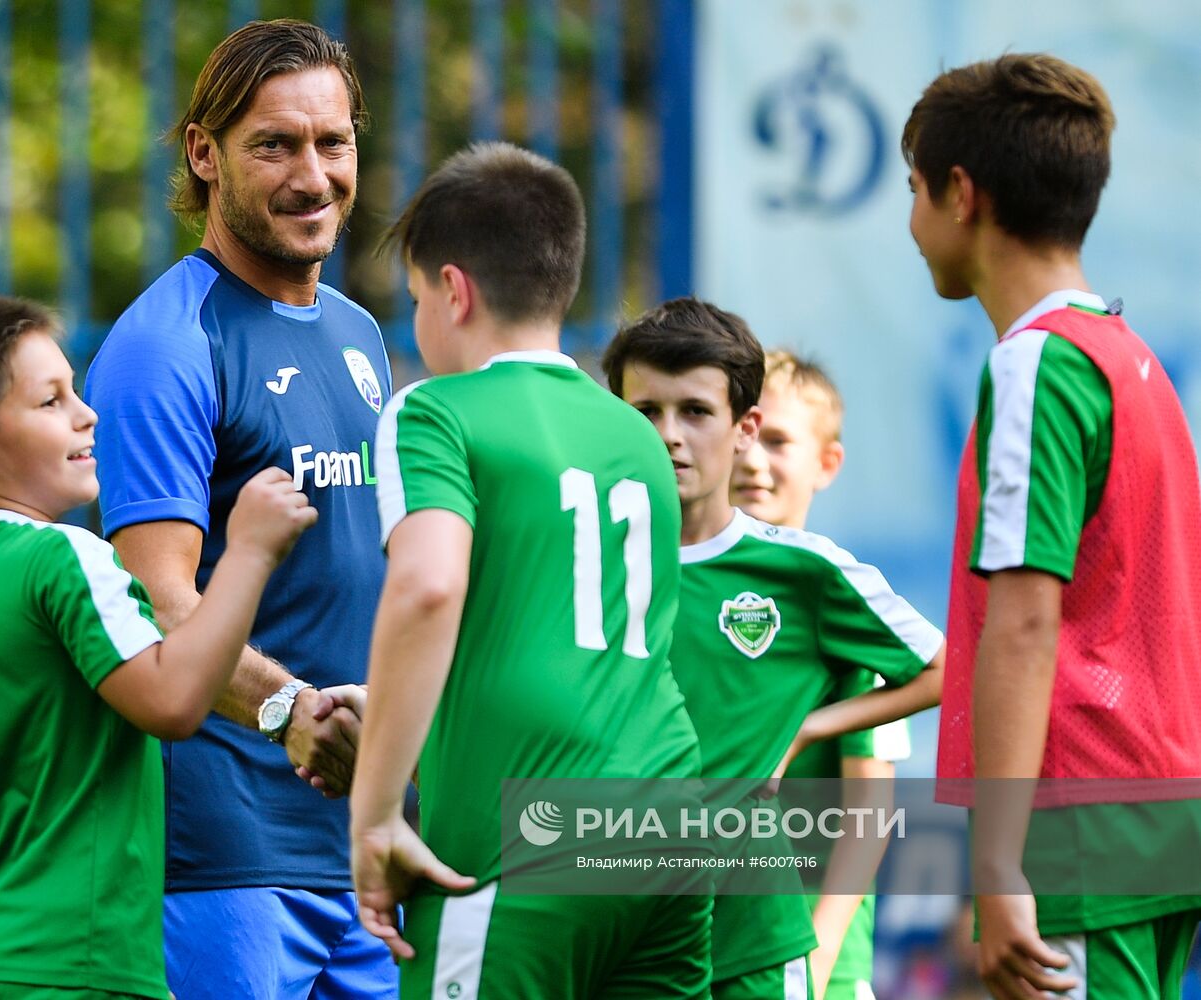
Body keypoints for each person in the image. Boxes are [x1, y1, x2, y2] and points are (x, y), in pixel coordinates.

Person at [0, 295, 314, 999]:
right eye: (51, 401)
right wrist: (249, 555)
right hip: (69, 968)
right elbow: (170, 700)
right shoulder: (63, 556)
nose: (88, 413)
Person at [349, 142, 714, 999]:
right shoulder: (635, 435)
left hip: (524, 835)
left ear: (454, 290)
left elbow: (429, 587)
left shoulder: (435, 410)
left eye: (412, 301)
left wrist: (371, 816)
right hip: (670, 821)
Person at [84, 19, 395, 999]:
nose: (312, 176)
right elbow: (153, 598)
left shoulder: (357, 332)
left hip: (365, 843)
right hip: (229, 853)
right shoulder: (165, 344)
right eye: (274, 145)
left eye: (331, 142)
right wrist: (283, 708)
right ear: (202, 154)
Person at [903, 53, 1201, 999]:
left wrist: (995, 866)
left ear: (962, 193)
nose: (909, 223)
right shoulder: (1131, 357)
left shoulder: (1037, 365)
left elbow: (1027, 623)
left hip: (1076, 826)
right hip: (1156, 821)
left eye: (913, 189)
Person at [602, 297, 945, 1000]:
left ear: (741, 428)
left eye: (694, 412)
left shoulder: (807, 574)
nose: (668, 436)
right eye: (645, 414)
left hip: (757, 943)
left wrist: (805, 729)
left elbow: (950, 667)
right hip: (616, 930)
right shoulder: (590, 566)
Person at [731, 351, 912, 1000]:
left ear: (827, 463)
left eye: (779, 441)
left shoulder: (841, 604)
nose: (755, 461)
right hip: (703, 955)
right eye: (746, 435)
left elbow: (871, 811)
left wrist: (818, 961)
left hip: (815, 966)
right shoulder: (679, 588)